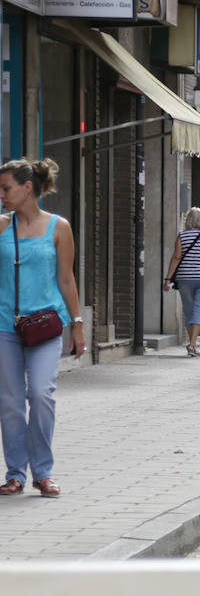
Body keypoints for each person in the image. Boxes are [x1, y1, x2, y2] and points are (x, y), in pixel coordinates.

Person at [0, 158, 83, 498]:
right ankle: (16, 473)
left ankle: (43, 471)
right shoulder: (1, 227)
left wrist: (77, 324)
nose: (2, 195)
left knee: (41, 395)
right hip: (6, 325)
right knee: (10, 402)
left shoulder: (59, 227)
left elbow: (66, 278)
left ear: (27, 187)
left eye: (6, 188)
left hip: (46, 326)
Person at [164, 207, 200, 357]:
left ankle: (192, 343)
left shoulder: (182, 236)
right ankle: (192, 344)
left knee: (189, 310)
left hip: (185, 278)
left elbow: (176, 257)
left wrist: (168, 279)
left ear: (188, 221)